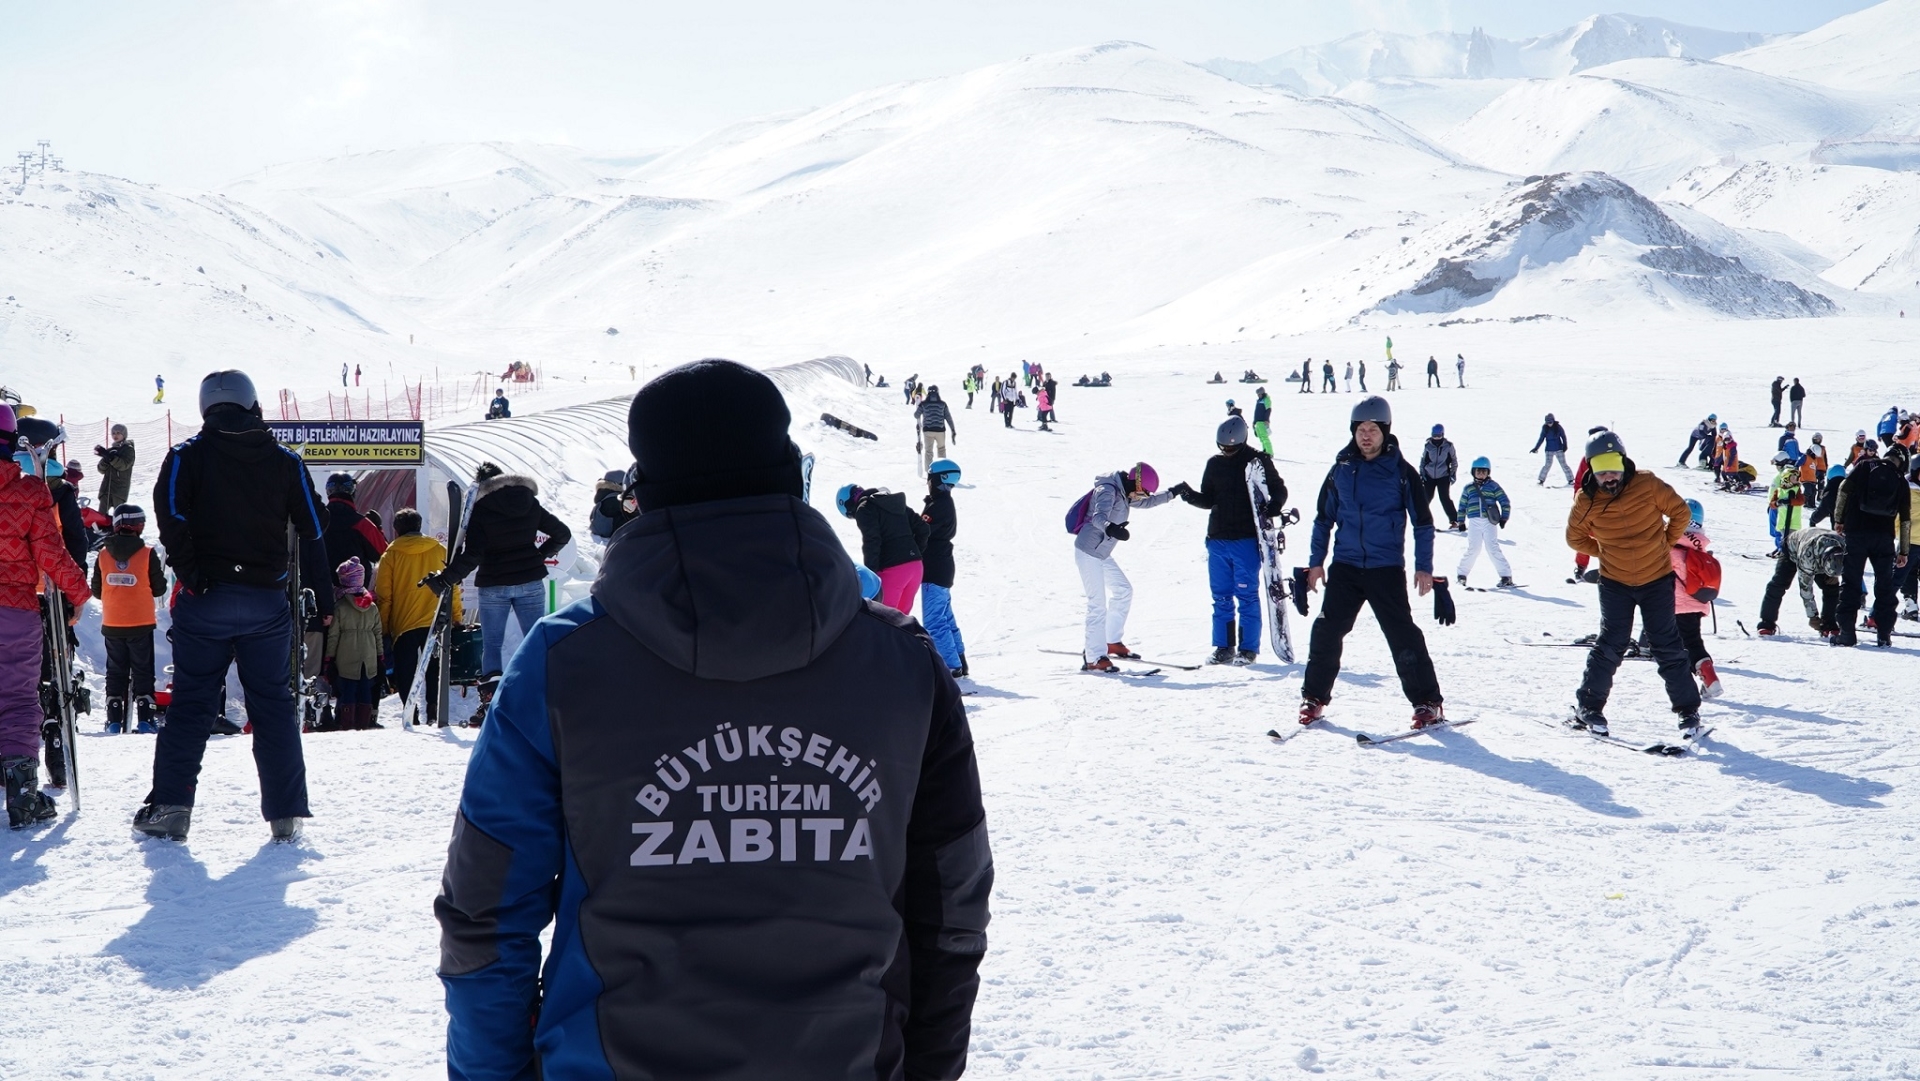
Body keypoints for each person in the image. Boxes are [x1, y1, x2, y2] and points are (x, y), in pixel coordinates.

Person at [434, 358, 990, 1080]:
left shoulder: (562, 663)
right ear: (792, 476)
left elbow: (486, 914)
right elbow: (950, 910)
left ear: (643, 495)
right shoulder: (902, 661)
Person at [138, 370, 332, 842]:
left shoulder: (187, 456)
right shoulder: (284, 460)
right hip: (267, 603)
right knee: (272, 705)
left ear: (207, 407)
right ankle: (285, 816)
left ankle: (171, 809)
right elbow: (314, 524)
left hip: (206, 600)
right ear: (252, 404)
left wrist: (191, 572)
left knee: (191, 705)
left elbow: (169, 512)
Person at [1298, 396, 1446, 728]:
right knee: (1326, 630)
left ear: (1385, 431)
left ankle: (1427, 702)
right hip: (1346, 567)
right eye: (1360, 429)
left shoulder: (1403, 473)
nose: (1366, 436)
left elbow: (1422, 522)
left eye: (1372, 430)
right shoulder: (1341, 470)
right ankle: (1314, 698)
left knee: (1402, 635)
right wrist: (1316, 562)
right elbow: (1323, 520)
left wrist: (1424, 567)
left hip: (1385, 568)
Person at [1563, 430, 1702, 738]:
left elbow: (1680, 511)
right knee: (1611, 644)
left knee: (1666, 644)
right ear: (1591, 469)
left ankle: (1688, 710)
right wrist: (1603, 551)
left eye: (1613, 467)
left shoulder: (1647, 483)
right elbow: (1574, 537)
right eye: (1601, 470)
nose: (1609, 476)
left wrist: (1665, 541)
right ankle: (1590, 706)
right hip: (1615, 583)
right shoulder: (1586, 500)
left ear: (1623, 462)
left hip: (1656, 580)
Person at [423, 463, 571, 723]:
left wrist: (446, 579)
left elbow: (474, 554)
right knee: (536, 640)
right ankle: (545, 699)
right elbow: (562, 534)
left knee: (492, 645)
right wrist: (537, 556)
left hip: (494, 584)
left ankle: (491, 706)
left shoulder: (480, 509)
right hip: (530, 582)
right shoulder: (528, 501)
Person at [1, 405, 91, 830]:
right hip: (15, 609)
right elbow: (52, 554)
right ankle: (22, 793)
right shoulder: (31, 493)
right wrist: (78, 595)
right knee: (19, 697)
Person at [1175, 416, 1285, 665]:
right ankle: (1224, 647)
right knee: (1221, 596)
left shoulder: (1257, 461)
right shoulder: (1214, 464)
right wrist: (1189, 494)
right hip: (1217, 539)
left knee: (1246, 595)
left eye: (1231, 448)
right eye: (1222, 447)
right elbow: (1208, 499)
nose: (1226, 451)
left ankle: (1248, 649)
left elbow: (1279, 489)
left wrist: (1274, 506)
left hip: (1246, 539)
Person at [1072, 463, 1175, 671]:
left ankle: (1111, 641)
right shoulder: (1108, 490)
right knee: (1097, 604)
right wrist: (1111, 528)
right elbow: (1098, 516)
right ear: (1136, 483)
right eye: (1143, 492)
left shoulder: (1126, 492)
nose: (1143, 496)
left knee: (1123, 590)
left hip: (1101, 552)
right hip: (1088, 551)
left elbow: (1147, 503)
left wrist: (1173, 493)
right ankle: (1093, 657)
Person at [377, 507, 463, 726]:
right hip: (435, 619)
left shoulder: (390, 554)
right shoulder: (439, 550)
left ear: (396, 530)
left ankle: (411, 714)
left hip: (403, 622)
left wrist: (384, 627)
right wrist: (456, 617)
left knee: (406, 671)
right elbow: (452, 586)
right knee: (434, 667)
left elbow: (384, 596)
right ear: (419, 525)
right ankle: (433, 711)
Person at [93, 504, 166, 734]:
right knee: (143, 672)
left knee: (116, 672)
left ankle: (114, 721)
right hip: (141, 623)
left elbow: (96, 590)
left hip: (113, 623)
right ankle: (145, 720)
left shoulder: (103, 554)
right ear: (139, 527)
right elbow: (159, 589)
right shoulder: (147, 553)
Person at [1833, 443, 1911, 647]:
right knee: (1884, 586)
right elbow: (1905, 520)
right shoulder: (1901, 481)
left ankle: (1847, 634)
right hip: (1884, 539)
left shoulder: (1864, 467)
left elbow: (1843, 490)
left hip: (1856, 534)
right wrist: (1904, 551)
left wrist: (1839, 519)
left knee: (1851, 583)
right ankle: (1884, 635)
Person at [837, 483, 929, 615]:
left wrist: (871, 575)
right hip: (916, 568)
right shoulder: (893, 501)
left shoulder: (864, 508)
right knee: (901, 623)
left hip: (893, 571)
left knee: (883, 620)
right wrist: (914, 554)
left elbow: (872, 542)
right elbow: (923, 529)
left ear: (848, 504)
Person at [322, 558, 384, 730]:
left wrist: (329, 658)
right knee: (365, 688)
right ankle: (363, 722)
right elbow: (378, 632)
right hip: (369, 653)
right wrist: (380, 655)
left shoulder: (340, 606)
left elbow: (333, 636)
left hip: (346, 653)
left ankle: (346, 722)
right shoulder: (371, 606)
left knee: (348, 688)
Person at [921, 458, 968, 677]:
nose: (928, 482)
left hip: (934, 568)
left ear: (938, 479)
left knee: (934, 620)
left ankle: (951, 666)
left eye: (930, 478)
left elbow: (921, 532)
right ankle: (959, 658)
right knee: (946, 616)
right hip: (943, 566)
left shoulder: (938, 505)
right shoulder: (943, 502)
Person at [1671, 500, 1721, 698]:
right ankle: (1709, 676)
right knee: (1692, 640)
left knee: (1676, 644)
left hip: (1674, 605)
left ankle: (1695, 679)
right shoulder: (1698, 547)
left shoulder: (1669, 548)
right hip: (1697, 602)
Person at [1757, 524, 1844, 638]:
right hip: (1792, 549)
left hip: (1824, 551)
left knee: (1832, 588)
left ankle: (1829, 624)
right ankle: (1766, 624)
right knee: (1778, 585)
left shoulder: (1843, 547)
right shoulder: (1807, 557)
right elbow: (1805, 589)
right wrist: (1813, 617)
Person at [1455, 457, 1512, 588]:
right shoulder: (1469, 488)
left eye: (1484, 471)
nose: (1481, 474)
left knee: (1492, 548)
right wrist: (1461, 521)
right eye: (1478, 471)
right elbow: (1462, 505)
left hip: (1489, 521)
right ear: (1473, 472)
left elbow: (1504, 501)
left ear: (1488, 472)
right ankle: (1461, 575)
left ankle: (1506, 576)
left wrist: (1504, 517)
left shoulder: (1493, 486)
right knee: (1473, 548)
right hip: (1474, 521)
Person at [322, 472, 388, 582]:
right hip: (355, 593)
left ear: (328, 491)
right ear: (352, 492)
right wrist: (378, 528)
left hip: (320, 590)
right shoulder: (362, 524)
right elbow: (384, 555)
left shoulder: (316, 521)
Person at [1419, 424, 1461, 531]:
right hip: (1429, 476)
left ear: (1442, 434)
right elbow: (1423, 460)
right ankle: (1422, 520)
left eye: (1438, 435)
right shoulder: (1428, 446)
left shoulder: (1448, 446)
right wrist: (1422, 473)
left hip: (1443, 476)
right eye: (1434, 435)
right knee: (1426, 498)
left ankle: (1454, 521)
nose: (1436, 438)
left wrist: (1452, 474)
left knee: (1444, 498)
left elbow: (1454, 461)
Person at [1766, 451, 1805, 555]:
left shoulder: (1787, 474)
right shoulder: (1783, 473)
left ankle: (1781, 548)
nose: (1777, 467)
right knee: (1776, 527)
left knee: (1780, 526)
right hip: (1775, 505)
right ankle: (1779, 546)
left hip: (1781, 507)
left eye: (1777, 465)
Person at [914, 386, 958, 472]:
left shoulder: (924, 404)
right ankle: (942, 470)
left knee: (928, 452)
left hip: (928, 431)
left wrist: (919, 406)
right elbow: (948, 418)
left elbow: (916, 415)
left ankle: (929, 472)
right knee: (941, 449)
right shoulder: (943, 404)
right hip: (940, 431)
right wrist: (953, 430)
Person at [93, 423, 135, 511]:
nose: (115, 435)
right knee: (101, 516)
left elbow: (124, 465)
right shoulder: (110, 450)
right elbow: (101, 470)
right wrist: (105, 458)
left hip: (119, 490)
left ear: (124, 435)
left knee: (118, 516)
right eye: (113, 433)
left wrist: (111, 458)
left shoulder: (129, 449)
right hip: (106, 489)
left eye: (118, 433)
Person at [1532, 413, 1572, 485]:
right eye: (1548, 422)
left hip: (1559, 449)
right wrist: (1536, 448)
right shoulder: (1545, 428)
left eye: (1550, 422)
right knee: (1547, 465)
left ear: (1553, 421)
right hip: (1549, 450)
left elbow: (1563, 436)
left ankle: (1571, 479)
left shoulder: (1558, 427)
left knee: (1563, 464)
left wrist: (1565, 445)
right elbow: (1541, 438)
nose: (1549, 424)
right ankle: (1541, 480)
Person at [1808, 462, 1848, 528]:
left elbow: (1822, 511)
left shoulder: (1830, 494)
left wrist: (1813, 520)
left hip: (1841, 531)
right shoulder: (1852, 489)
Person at [1799, 432, 1829, 510]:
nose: (1817, 440)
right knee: (1810, 487)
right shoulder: (1810, 450)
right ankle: (1806, 501)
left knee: (1820, 484)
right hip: (1812, 469)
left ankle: (1818, 497)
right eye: (1816, 439)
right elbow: (1803, 461)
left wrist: (1826, 467)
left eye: (1819, 439)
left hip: (1820, 468)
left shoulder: (1822, 448)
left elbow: (1825, 458)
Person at [1253, 387, 1273, 455]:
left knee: (1264, 437)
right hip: (1258, 421)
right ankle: (1265, 450)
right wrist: (1254, 421)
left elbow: (1268, 410)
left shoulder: (1266, 399)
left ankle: (1269, 452)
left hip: (1262, 421)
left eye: (1259, 394)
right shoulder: (1259, 400)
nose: (1258, 395)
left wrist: (1266, 419)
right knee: (1261, 437)